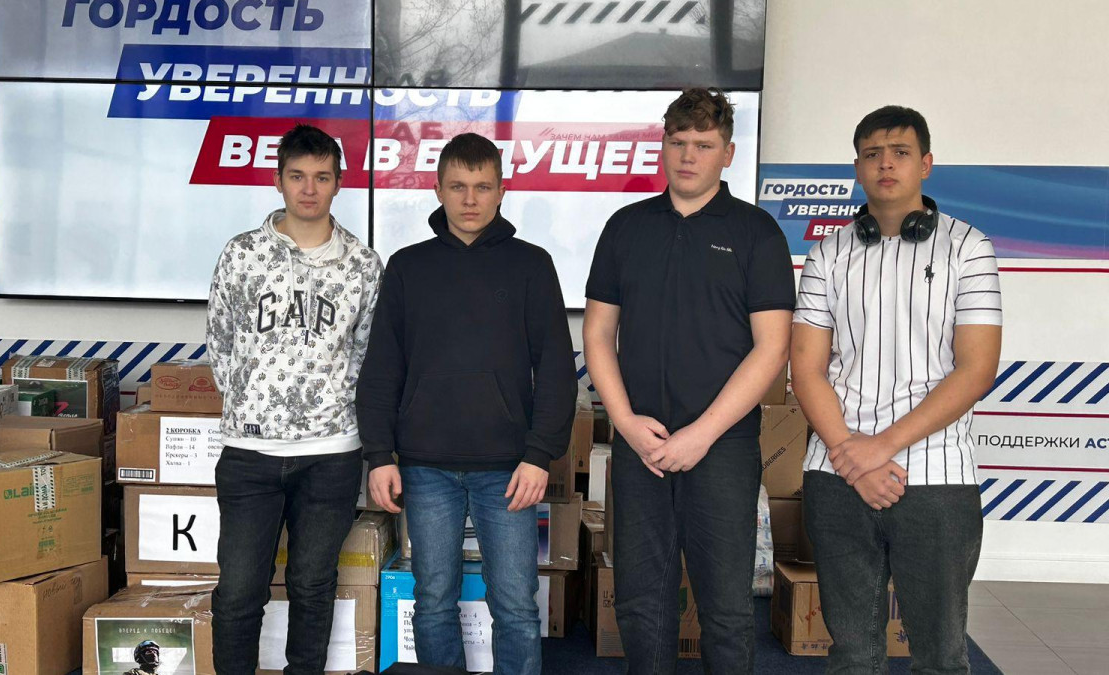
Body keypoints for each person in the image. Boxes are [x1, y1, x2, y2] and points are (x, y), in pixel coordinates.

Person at [583, 88, 795, 673]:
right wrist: (625, 423)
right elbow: (598, 335)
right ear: (663, 145)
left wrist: (701, 434)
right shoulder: (625, 227)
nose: (688, 156)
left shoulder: (757, 232)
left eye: (703, 145)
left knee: (726, 609)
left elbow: (772, 347)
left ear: (728, 153)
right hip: (641, 445)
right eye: (678, 142)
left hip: (721, 447)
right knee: (639, 603)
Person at [790, 105, 1002, 673]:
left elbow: (976, 370)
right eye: (872, 154)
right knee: (852, 656)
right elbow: (805, 370)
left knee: (940, 657)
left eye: (901, 153)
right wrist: (850, 454)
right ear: (857, 167)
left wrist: (877, 449)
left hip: (936, 477)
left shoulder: (968, 247)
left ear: (925, 164)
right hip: (837, 475)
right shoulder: (828, 253)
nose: (886, 164)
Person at [358, 132, 576, 675]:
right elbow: (382, 369)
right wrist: (380, 454)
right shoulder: (407, 267)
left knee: (516, 605)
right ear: (438, 190)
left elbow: (555, 368)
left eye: (482, 186)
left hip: (509, 469)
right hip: (425, 467)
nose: (470, 199)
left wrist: (539, 454)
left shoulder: (532, 265)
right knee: (433, 599)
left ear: (502, 190)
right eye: (458, 186)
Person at [205, 123, 383, 674]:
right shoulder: (242, 254)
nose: (309, 189)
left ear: (339, 183)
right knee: (239, 591)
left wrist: (333, 411)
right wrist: (252, 406)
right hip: (250, 453)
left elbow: (366, 353)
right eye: (298, 176)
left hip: (331, 454)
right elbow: (220, 341)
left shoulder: (362, 265)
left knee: (312, 585)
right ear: (278, 181)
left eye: (322, 177)